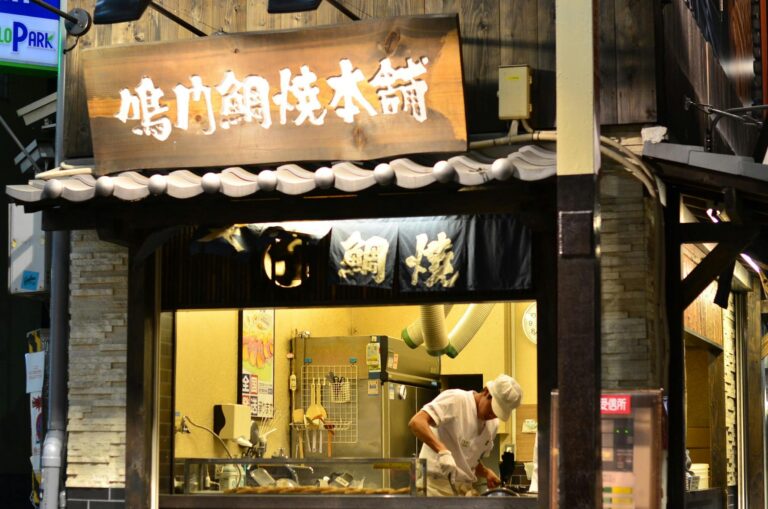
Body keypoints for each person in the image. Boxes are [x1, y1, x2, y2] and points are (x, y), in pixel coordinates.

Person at [408, 374, 523, 496]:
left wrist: (486, 472)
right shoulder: (457, 400)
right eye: (492, 408)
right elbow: (416, 422)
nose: (492, 415)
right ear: (486, 392)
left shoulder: (492, 425)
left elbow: (468, 460)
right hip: (433, 487)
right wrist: (442, 450)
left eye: (497, 413)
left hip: (463, 490)